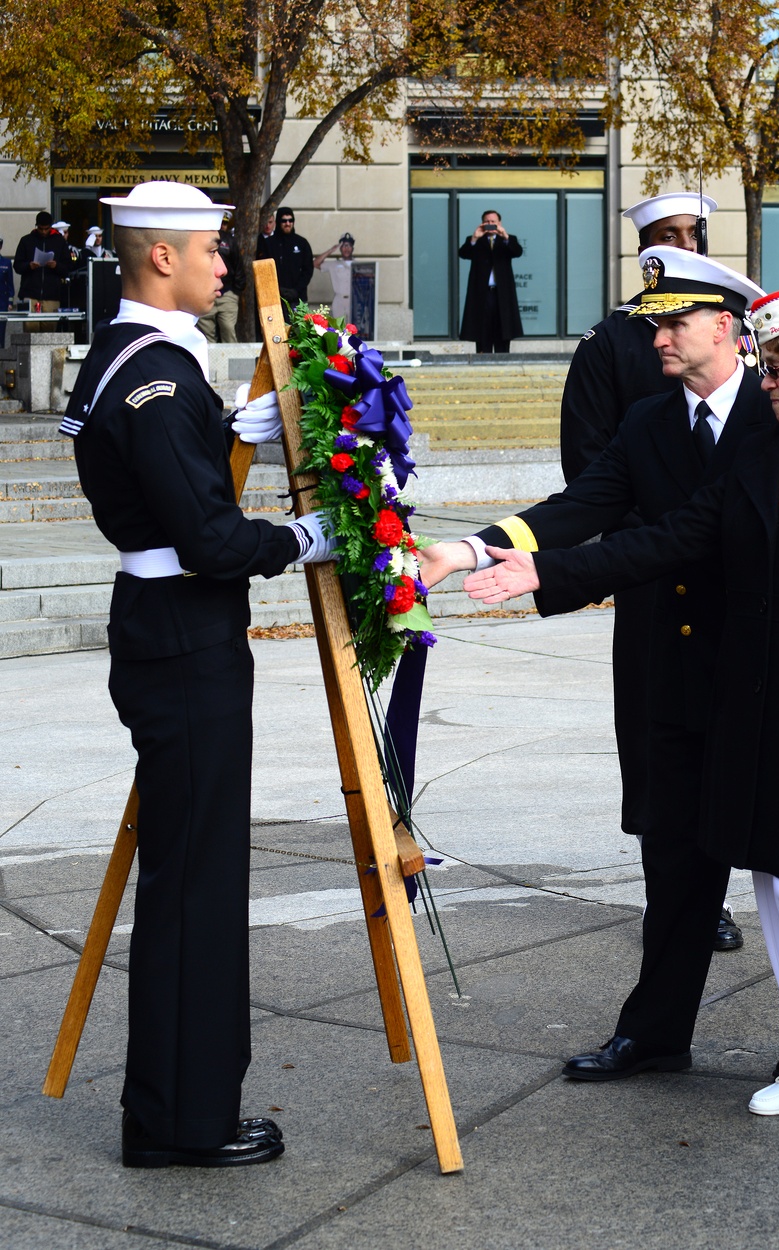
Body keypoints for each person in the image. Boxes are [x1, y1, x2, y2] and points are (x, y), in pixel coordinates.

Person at [457, 288, 779, 1124]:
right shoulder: (774, 451)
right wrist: (544, 570)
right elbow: (676, 534)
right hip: (766, 706)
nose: (767, 384)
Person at [420, 247, 771, 1081]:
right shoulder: (651, 420)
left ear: (725, 326)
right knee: (673, 858)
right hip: (668, 661)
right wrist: (468, 549)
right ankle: (655, 1031)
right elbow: (579, 507)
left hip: (760, 665)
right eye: (651, 325)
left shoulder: (776, 411)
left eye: (673, 323)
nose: (655, 339)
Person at [59, 181, 335, 1168]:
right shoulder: (160, 378)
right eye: (213, 248)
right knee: (197, 884)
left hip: (164, 628)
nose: (227, 263)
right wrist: (312, 534)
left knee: (189, 874)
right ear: (161, 258)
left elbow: (167, 475)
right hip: (183, 636)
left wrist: (231, 428)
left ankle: (176, 1105)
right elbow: (211, 538)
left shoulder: (135, 359)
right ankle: (184, 1118)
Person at [561, 190, 742, 954]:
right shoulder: (613, 345)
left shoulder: (754, 367)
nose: (663, 335)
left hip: (737, 594)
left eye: (690, 234)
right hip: (648, 579)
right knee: (656, 750)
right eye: (664, 237)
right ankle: (675, 898)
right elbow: (590, 469)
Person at [458, 210, 523, 353]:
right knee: (482, 327)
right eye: (487, 221)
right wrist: (474, 239)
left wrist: (505, 236)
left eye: (493, 222)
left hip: (502, 293)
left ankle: (503, 356)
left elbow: (517, 252)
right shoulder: (475, 240)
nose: (490, 224)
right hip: (482, 293)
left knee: (503, 327)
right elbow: (463, 253)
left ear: (499, 223)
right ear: (482, 223)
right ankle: (482, 355)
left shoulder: (508, 239)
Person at [197, 210, 246, 343]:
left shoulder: (230, 241)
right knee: (207, 336)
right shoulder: (201, 239)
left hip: (227, 293)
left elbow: (239, 267)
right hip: (206, 291)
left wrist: (235, 291)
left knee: (229, 331)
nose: (222, 226)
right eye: (220, 223)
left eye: (224, 223)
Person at [13, 210, 73, 316]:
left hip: (52, 295)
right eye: (41, 229)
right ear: (36, 226)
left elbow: (68, 267)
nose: (44, 232)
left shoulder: (59, 241)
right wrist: (29, 266)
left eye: (46, 229)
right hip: (30, 293)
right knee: (31, 327)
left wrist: (56, 266)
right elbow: (17, 265)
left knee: (49, 328)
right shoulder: (26, 241)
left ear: (51, 227)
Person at [258, 206, 313, 311]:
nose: (288, 223)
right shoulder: (268, 243)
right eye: (284, 221)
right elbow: (264, 271)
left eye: (290, 220)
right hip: (275, 298)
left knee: (298, 327)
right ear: (278, 222)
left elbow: (308, 270)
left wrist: (296, 290)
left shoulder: (302, 243)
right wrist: (277, 290)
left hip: (298, 298)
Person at [313, 232, 355, 321]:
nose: (346, 248)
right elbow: (315, 263)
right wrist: (331, 250)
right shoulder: (333, 264)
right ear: (340, 248)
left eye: (349, 245)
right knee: (338, 329)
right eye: (343, 246)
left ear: (352, 248)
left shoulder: (358, 265)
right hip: (339, 299)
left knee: (353, 329)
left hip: (354, 300)